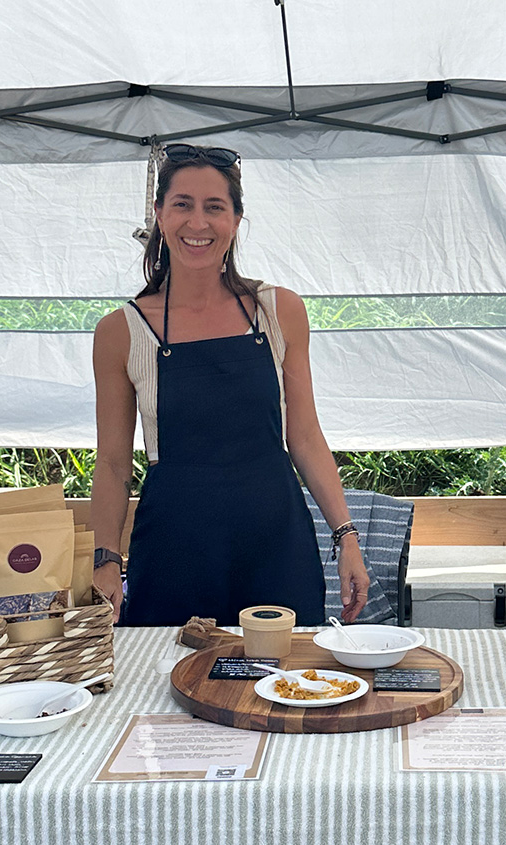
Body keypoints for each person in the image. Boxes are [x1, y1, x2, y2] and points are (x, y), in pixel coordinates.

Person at [90, 143, 370, 627]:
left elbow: (303, 437)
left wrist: (346, 536)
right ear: (159, 213)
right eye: (182, 205)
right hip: (173, 554)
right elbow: (113, 464)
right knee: (166, 691)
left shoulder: (278, 311)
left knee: (288, 691)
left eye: (214, 207)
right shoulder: (121, 331)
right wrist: (106, 561)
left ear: (237, 220)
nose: (197, 224)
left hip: (276, 550)